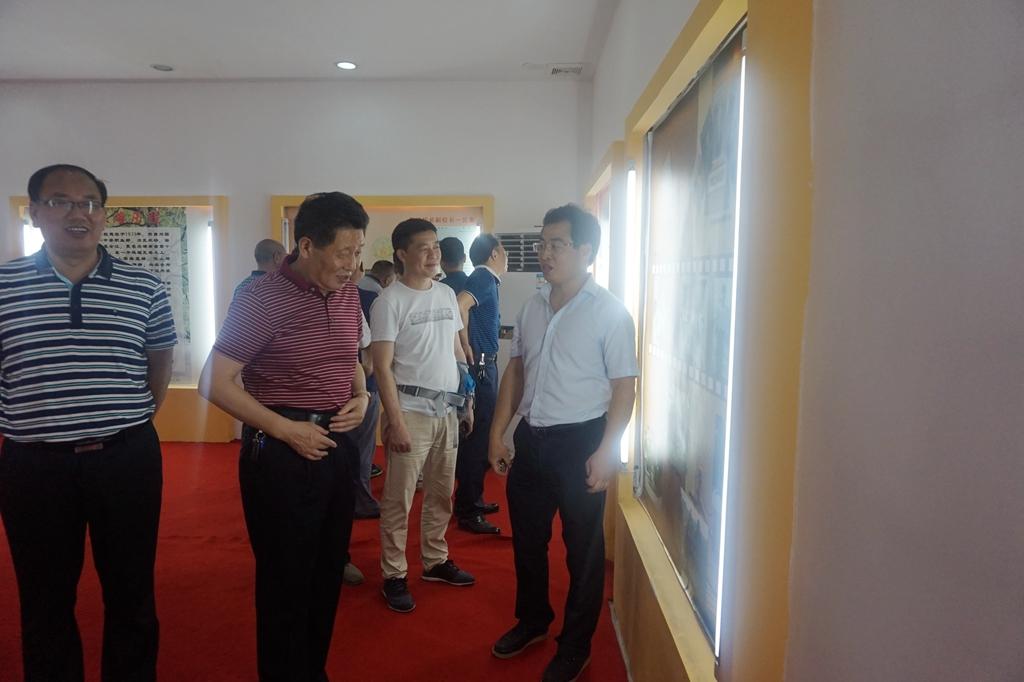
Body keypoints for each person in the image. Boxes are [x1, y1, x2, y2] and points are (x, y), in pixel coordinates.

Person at [0, 164, 176, 681]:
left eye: (90, 203)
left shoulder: (144, 287)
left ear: (104, 214)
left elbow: (158, 366)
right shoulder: (4, 285)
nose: (78, 212)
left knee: (132, 591)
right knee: (44, 598)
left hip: (125, 459)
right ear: (35, 212)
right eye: (60, 201)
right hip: (35, 466)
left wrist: (123, 422)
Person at [198, 191, 371, 682]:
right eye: (344, 253)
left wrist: (361, 395)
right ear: (306, 245)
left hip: (336, 444)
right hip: (280, 451)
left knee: (325, 575)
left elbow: (349, 358)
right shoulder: (262, 298)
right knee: (285, 584)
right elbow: (215, 381)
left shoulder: (347, 292)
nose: (352, 265)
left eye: (358, 252)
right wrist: (285, 430)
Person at [488, 204, 638, 682]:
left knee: (583, 552)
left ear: (586, 251)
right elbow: (516, 371)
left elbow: (625, 387)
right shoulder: (532, 307)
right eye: (543, 243)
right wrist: (497, 433)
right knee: (527, 541)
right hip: (532, 439)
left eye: (557, 244)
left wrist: (608, 450)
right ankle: (533, 620)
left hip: (581, 442)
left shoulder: (610, 312)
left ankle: (575, 647)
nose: (545, 253)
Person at [371, 218, 476, 613]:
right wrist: (395, 420)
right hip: (410, 411)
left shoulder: (447, 294)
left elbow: (456, 351)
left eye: (436, 246)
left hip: (447, 408)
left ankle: (435, 560)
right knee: (398, 499)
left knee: (441, 492)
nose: (434, 254)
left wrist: (467, 400)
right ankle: (394, 573)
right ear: (402, 253)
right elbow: (382, 368)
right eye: (424, 247)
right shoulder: (389, 301)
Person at [453, 233, 508, 535]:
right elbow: (460, 306)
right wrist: (465, 346)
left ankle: (472, 499)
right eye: (504, 251)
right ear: (495, 253)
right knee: (476, 439)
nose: (506, 257)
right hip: (482, 367)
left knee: (479, 436)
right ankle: (468, 509)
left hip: (486, 365)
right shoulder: (484, 277)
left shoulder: (486, 279)